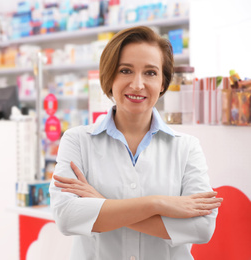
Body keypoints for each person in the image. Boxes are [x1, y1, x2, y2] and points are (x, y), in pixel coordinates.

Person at [49, 26, 222, 260]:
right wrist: (158, 203)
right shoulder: (78, 141)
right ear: (110, 77)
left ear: (163, 83)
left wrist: (102, 205)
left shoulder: (186, 147)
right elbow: (67, 217)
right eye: (125, 70)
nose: (138, 84)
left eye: (150, 73)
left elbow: (201, 228)